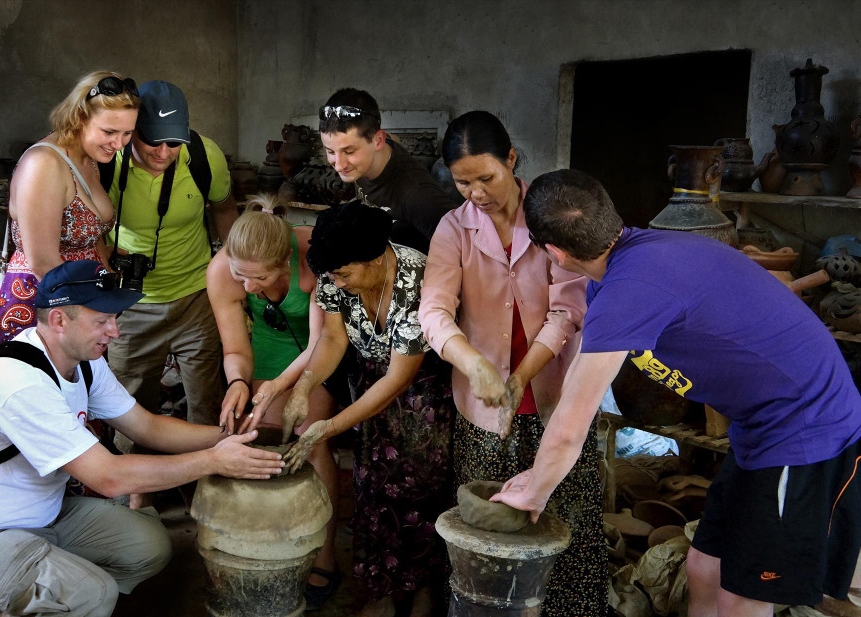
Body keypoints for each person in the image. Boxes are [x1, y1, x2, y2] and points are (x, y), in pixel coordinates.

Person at [492, 169, 861, 617]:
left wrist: (535, 494)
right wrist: (538, 475)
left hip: (805, 431)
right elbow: (582, 381)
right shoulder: (618, 272)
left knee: (743, 596)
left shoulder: (634, 285)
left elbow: (573, 423)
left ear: (554, 252)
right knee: (704, 569)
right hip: (759, 426)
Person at [0, 259, 283, 617]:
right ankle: (58, 599)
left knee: (149, 546)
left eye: (114, 319)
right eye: (102, 321)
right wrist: (215, 461)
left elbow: (147, 427)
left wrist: (232, 436)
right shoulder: (18, 382)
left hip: (41, 519)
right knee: (94, 594)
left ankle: (51, 596)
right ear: (59, 319)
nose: (115, 331)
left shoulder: (86, 362)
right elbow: (109, 477)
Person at [418, 111, 603, 617]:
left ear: (512, 161)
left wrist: (522, 373)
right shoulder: (453, 229)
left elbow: (568, 311)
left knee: (566, 526)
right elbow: (433, 311)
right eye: (462, 182)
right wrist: (472, 362)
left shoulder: (549, 217)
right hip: (484, 413)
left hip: (554, 399)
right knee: (489, 533)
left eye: (486, 178)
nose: (476, 193)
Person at [282, 202, 455, 617]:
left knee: (419, 489)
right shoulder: (334, 270)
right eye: (332, 276)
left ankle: (422, 592)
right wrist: (303, 385)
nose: (336, 283)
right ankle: (381, 587)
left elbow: (398, 378)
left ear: (377, 259)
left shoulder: (416, 279)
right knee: (372, 485)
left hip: (421, 392)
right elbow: (332, 340)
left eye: (344, 274)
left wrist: (329, 426)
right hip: (367, 378)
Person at [204, 193, 340, 609]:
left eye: (257, 280)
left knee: (309, 439)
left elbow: (321, 342)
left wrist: (279, 389)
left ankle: (324, 550)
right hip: (264, 353)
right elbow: (234, 347)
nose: (247, 288)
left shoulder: (315, 257)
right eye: (239, 276)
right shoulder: (222, 271)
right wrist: (238, 383)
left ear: (284, 262)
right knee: (245, 430)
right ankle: (255, 538)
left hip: (315, 357)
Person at [103, 81, 235, 493]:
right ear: (131, 133)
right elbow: (89, 232)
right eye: (152, 142)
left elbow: (226, 207)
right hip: (132, 301)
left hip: (197, 296)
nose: (162, 154)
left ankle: (207, 494)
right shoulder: (108, 162)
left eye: (173, 143)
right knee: (130, 405)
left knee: (207, 401)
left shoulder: (203, 155)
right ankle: (138, 499)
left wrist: (230, 270)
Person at [0, 70, 139, 345]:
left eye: (127, 133)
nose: (118, 144)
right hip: (45, 309)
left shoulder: (88, 157)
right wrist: (92, 315)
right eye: (109, 131)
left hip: (84, 306)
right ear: (80, 117)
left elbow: (89, 236)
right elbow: (44, 263)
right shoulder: (44, 164)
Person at [318, 87, 456, 253]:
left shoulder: (417, 194)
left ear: (378, 141)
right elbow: (392, 138)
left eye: (349, 151)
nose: (339, 165)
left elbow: (463, 250)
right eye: (331, 151)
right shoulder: (367, 159)